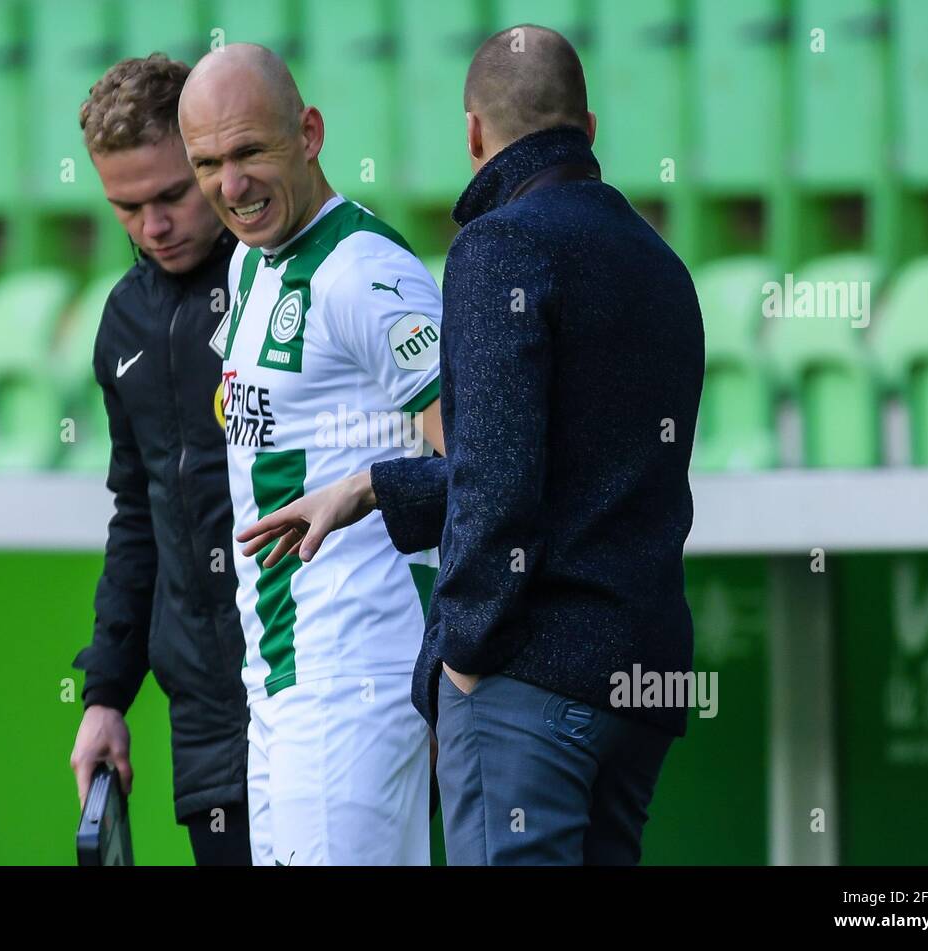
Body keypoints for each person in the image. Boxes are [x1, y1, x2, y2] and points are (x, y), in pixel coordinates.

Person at [239, 25, 705, 865]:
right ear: (589, 129)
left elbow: (497, 476)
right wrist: (376, 486)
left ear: (473, 134)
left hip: (527, 676)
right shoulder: (660, 261)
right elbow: (574, 462)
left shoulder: (501, 245)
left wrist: (463, 655)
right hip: (642, 679)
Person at [176, 43, 446, 865]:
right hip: (283, 674)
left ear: (311, 133)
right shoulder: (252, 264)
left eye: (251, 151)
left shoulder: (362, 271)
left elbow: (481, 459)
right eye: (209, 163)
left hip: (355, 670)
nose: (232, 185)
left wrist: (365, 487)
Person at [68, 54, 250, 866]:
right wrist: (106, 694)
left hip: (320, 696)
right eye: (126, 207)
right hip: (205, 718)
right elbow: (138, 515)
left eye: (172, 195)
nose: (153, 226)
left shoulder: (284, 287)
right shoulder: (125, 323)